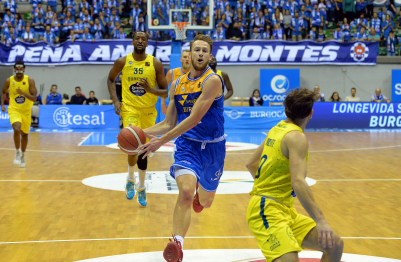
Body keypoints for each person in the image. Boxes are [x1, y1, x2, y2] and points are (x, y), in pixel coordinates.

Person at [138, 35, 225, 262]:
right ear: (189, 53)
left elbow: (195, 118)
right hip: (187, 146)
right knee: (185, 191)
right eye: (197, 50)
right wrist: (140, 132)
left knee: (206, 201)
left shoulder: (213, 81)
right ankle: (177, 244)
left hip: (213, 149)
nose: (200, 54)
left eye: (204, 51)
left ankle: (200, 197)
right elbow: (169, 123)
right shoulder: (176, 85)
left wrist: (160, 140)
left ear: (210, 56)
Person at [246, 88, 344, 262]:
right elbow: (298, 182)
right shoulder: (297, 137)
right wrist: (320, 220)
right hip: (267, 210)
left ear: (286, 110)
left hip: (284, 210)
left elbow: (251, 163)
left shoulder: (277, 128)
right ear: (311, 113)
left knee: (334, 245)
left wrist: (268, 184)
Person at [107, 31, 168, 207]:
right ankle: (130, 179)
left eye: (143, 39)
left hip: (149, 110)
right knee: (134, 146)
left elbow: (165, 91)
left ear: (147, 43)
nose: (140, 41)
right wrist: (116, 101)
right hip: (130, 108)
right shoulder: (122, 62)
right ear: (133, 41)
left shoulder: (155, 63)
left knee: (144, 150)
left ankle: (141, 186)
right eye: (137, 38)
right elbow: (110, 80)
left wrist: (150, 89)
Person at [1, 61, 37, 168]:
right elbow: (3, 92)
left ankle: (23, 155)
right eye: (17, 69)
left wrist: (23, 94)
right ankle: (17, 152)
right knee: (17, 129)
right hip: (14, 109)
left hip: (26, 111)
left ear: (24, 69)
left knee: (24, 135)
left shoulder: (30, 80)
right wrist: (2, 105)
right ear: (15, 69)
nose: (19, 70)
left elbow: (34, 98)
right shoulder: (9, 80)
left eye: (21, 69)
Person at [161, 50, 191, 115]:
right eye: (185, 57)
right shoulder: (172, 73)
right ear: (181, 59)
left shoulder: (196, 74)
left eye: (189, 57)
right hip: (175, 108)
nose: (187, 59)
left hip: (190, 108)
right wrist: (163, 104)